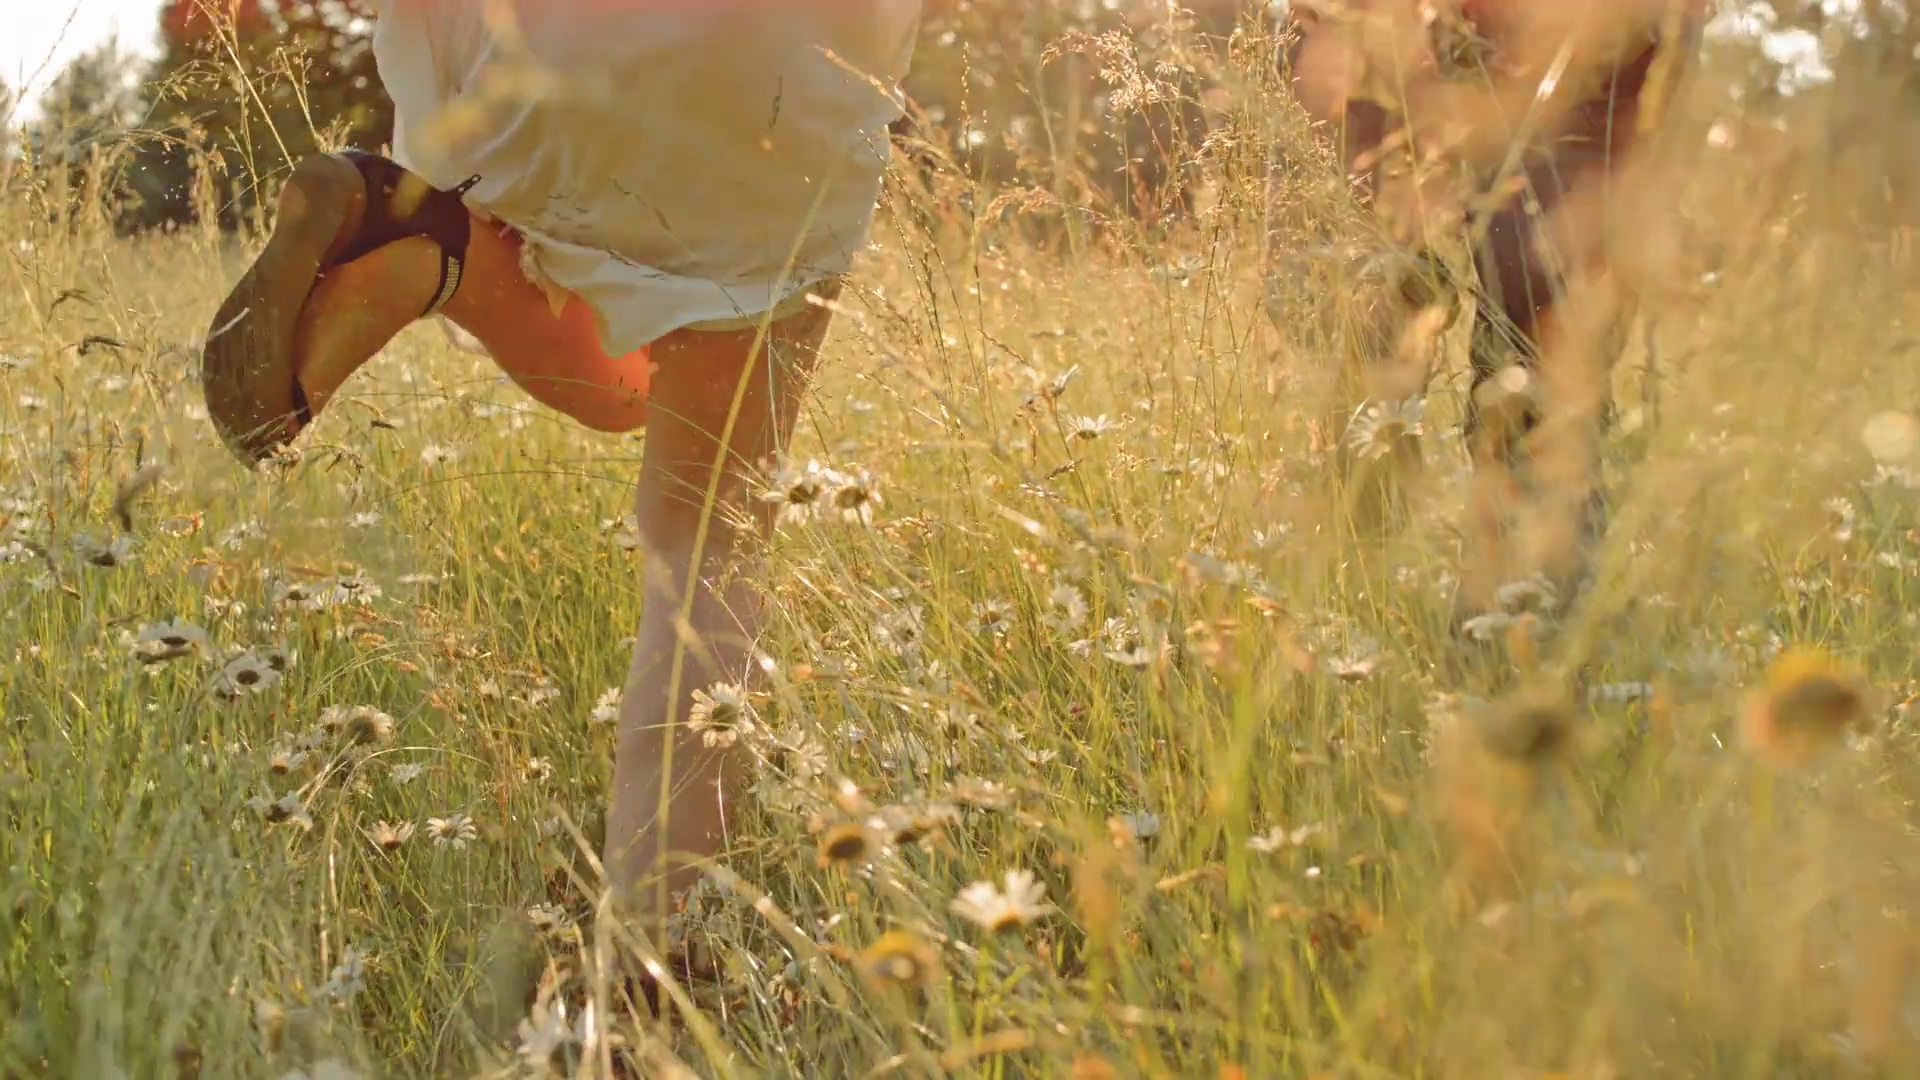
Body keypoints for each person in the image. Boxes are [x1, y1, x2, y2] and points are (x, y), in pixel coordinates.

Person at [200, 0, 923, 919]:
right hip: (773, 65)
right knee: (708, 543)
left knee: (629, 394)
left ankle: (424, 241)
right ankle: (656, 970)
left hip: (525, 47)